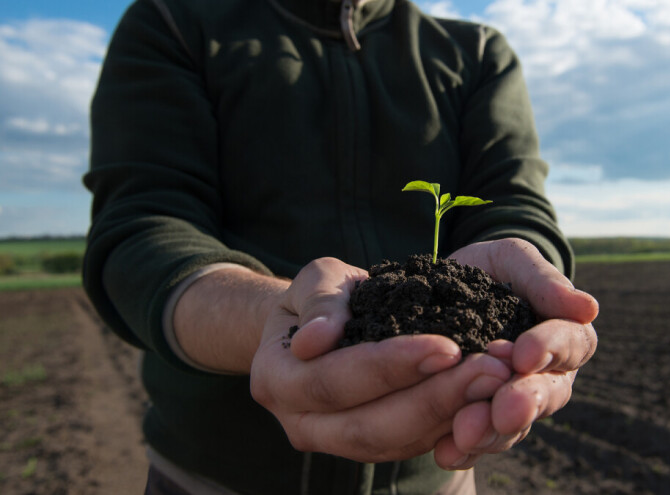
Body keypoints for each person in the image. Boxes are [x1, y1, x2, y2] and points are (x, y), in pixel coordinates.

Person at [82, 0, 599, 493]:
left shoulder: (476, 52)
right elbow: (143, 229)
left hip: (434, 479)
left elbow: (512, 203)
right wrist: (273, 318)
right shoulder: (176, 22)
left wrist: (529, 283)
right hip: (216, 477)